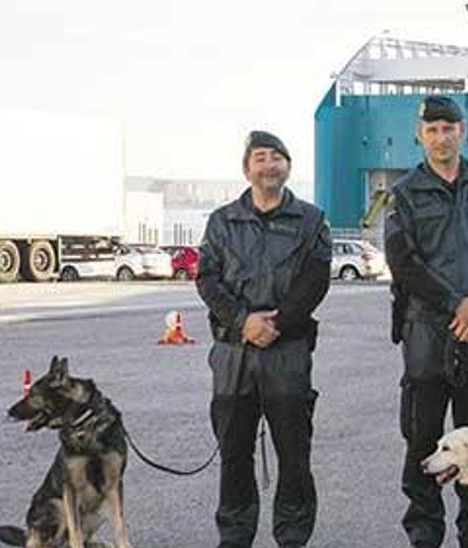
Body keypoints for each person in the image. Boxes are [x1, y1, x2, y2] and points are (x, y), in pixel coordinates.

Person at [384, 95, 468, 548]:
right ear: (420, 135)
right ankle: (424, 530)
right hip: (427, 332)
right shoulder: (404, 193)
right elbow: (403, 262)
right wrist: (455, 304)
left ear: (463, 131)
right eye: (432, 130)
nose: (441, 138)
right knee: (423, 439)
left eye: (449, 128)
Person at [196, 130, 332, 548]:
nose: (269, 165)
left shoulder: (310, 219)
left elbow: (316, 279)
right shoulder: (222, 221)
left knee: (293, 453)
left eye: (277, 157)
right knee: (234, 454)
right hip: (234, 353)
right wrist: (243, 322)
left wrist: (276, 324)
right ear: (246, 168)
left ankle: (292, 536)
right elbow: (208, 279)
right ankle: (235, 535)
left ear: (288, 166)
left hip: (286, 351)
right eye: (260, 157)